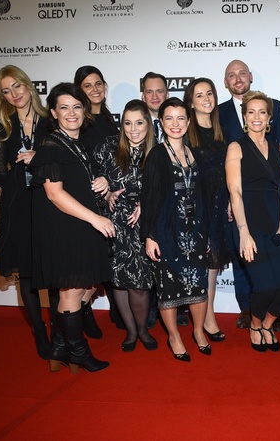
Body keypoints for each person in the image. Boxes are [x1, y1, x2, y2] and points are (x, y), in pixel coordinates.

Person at [30, 82, 113, 373]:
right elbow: (55, 194)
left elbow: (81, 181)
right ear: (53, 113)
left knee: (84, 288)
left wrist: (103, 180)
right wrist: (96, 219)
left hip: (80, 227)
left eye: (77, 106)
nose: (72, 113)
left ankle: (59, 347)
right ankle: (78, 351)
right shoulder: (52, 147)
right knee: (72, 293)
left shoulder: (77, 144)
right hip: (65, 229)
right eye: (64, 107)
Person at [0, 65, 59, 360]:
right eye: (6, 90)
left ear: (28, 85)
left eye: (17, 86)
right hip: (17, 205)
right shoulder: (1, 126)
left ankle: (59, 330)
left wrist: (39, 156)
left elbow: (66, 157)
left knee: (53, 270)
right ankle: (39, 330)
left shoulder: (50, 120)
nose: (14, 94)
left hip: (49, 201)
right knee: (26, 273)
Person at [219, 59, 280, 331]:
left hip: (276, 220)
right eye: (251, 112)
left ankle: (267, 325)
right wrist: (243, 231)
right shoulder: (235, 147)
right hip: (249, 220)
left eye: (262, 112)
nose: (257, 117)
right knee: (263, 285)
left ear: (269, 116)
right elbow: (235, 190)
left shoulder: (278, 148)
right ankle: (255, 326)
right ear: (245, 116)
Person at [140, 97, 210, 362]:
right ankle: (174, 336)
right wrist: (150, 236)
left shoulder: (195, 154)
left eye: (181, 118)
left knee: (198, 285)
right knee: (168, 288)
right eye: (169, 118)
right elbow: (149, 198)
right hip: (167, 232)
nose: (175, 124)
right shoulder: (157, 155)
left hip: (195, 232)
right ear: (161, 122)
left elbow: (203, 197)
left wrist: (206, 233)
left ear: (189, 122)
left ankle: (199, 331)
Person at [93, 99, 159, 352]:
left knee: (140, 284)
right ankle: (131, 331)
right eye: (128, 123)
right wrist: (106, 193)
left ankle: (142, 330)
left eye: (139, 123)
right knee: (118, 282)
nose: (133, 129)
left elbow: (167, 190)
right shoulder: (107, 147)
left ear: (148, 124)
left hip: (143, 227)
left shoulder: (158, 152)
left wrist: (147, 204)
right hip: (113, 224)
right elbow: (92, 180)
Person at [74, 65, 120, 337]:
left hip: (110, 199)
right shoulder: (79, 120)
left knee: (106, 261)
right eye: (88, 85)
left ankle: (88, 313)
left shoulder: (107, 118)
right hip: (90, 199)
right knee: (92, 264)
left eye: (98, 83)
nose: (95, 89)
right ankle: (77, 318)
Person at [183, 78, 229, 342]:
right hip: (196, 208)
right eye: (199, 95)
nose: (206, 99)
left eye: (209, 93)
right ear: (191, 102)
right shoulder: (185, 133)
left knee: (211, 266)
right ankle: (199, 321)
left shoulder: (223, 131)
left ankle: (208, 316)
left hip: (220, 207)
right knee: (197, 266)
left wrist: (231, 201)